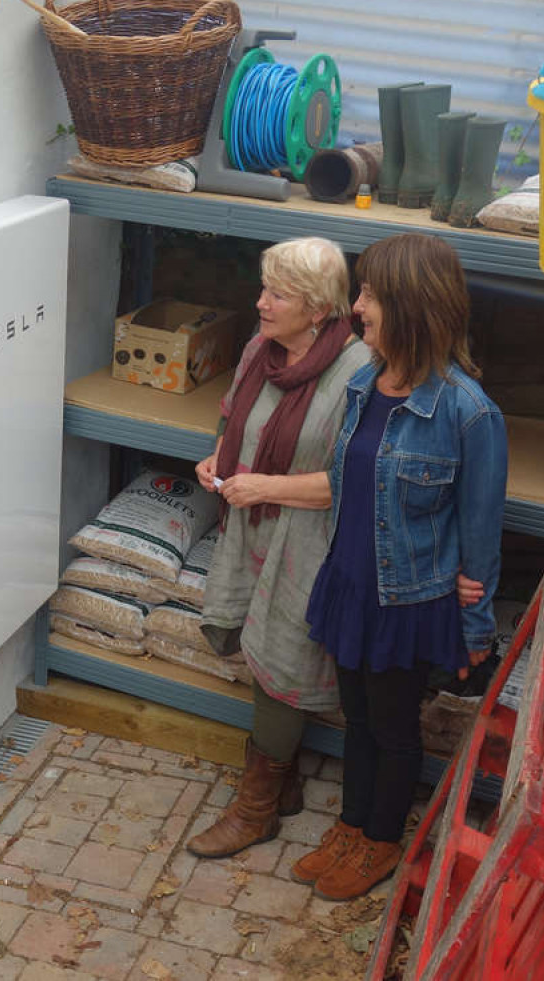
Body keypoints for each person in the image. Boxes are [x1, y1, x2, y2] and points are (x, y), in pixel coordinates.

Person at [292, 233, 507, 901]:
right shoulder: (364, 383)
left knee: (390, 725)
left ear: (412, 306)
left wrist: (475, 627)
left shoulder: (469, 414)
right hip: (351, 583)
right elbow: (344, 481)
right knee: (354, 717)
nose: (357, 308)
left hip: (406, 602)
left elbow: (480, 538)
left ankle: (382, 840)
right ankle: (352, 824)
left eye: (370, 296)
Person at [186, 237, 370, 860]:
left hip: (311, 542)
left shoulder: (358, 373)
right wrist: (218, 459)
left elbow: (356, 482)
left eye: (277, 294)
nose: (260, 303)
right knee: (257, 648)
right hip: (254, 526)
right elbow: (233, 418)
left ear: (318, 308)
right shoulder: (258, 352)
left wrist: (266, 484)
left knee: (281, 666)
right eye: (263, 288)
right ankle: (284, 783)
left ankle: (255, 810)